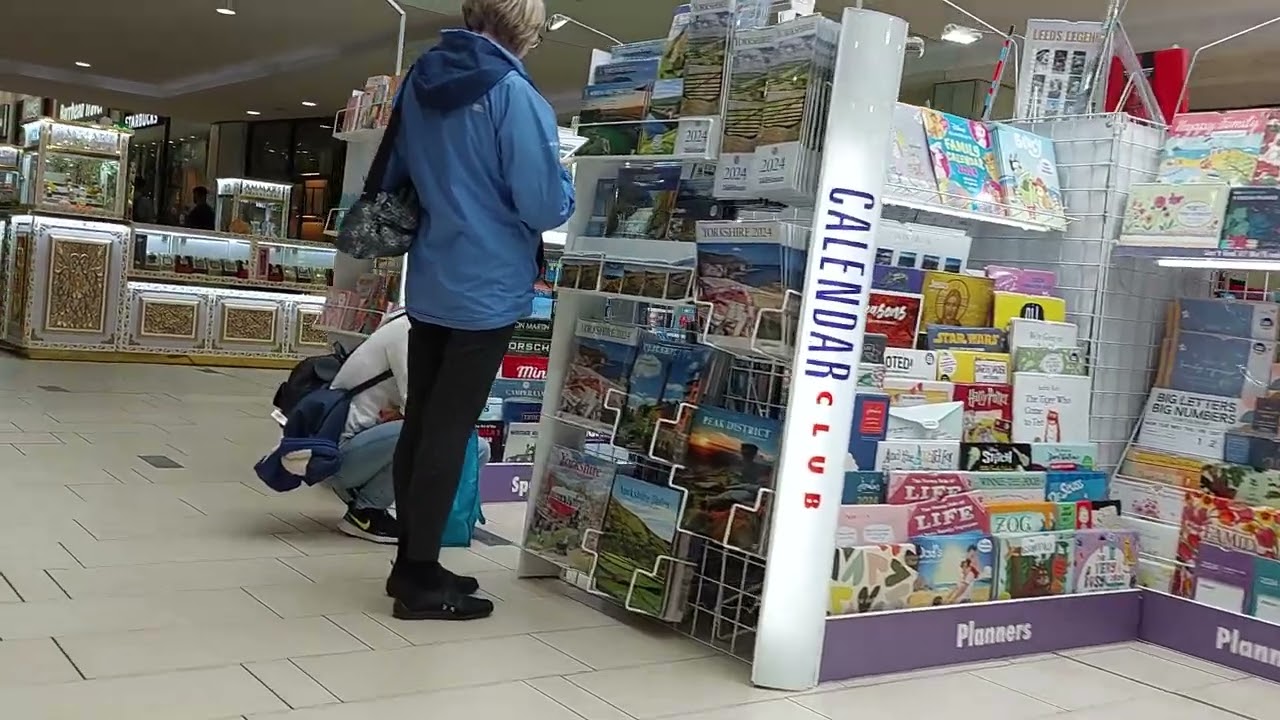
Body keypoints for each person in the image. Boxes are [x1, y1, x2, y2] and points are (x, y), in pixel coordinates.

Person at [377, 0, 574, 621]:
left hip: (432, 273)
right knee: (450, 428)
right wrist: (565, 184)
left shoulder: (422, 76)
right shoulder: (514, 93)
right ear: (526, 27)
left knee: (423, 421)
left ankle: (414, 561)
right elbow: (544, 204)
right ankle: (417, 580)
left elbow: (399, 168)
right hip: (487, 285)